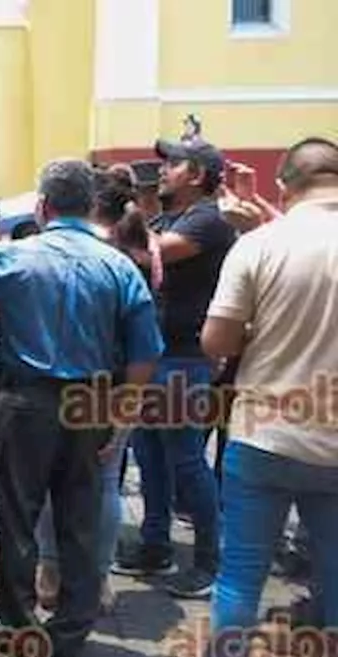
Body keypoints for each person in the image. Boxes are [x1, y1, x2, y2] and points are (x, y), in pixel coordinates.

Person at [175, 137, 338, 657]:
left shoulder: (259, 246)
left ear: (284, 185)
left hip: (264, 434)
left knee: (241, 576)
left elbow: (216, 343)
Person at [0, 159, 163, 657]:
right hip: (91, 403)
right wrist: (123, 413)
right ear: (89, 207)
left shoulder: (9, 259)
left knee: (18, 516)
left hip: (24, 401)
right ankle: (71, 629)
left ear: (42, 207)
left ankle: (19, 627)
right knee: (81, 515)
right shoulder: (118, 266)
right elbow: (144, 352)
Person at [33, 163, 162, 612]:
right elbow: (146, 346)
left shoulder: (29, 254)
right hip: (110, 387)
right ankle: (97, 578)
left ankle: (50, 571)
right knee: (105, 482)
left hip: (49, 387)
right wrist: (127, 407)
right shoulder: (133, 256)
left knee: (52, 482)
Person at [116, 138, 237, 600]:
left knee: (187, 461)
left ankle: (210, 561)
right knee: (149, 456)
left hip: (185, 359)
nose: (163, 171)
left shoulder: (210, 220)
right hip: (156, 356)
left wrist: (119, 222)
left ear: (199, 175)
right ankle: (154, 544)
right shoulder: (170, 217)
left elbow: (151, 255)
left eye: (174, 164)